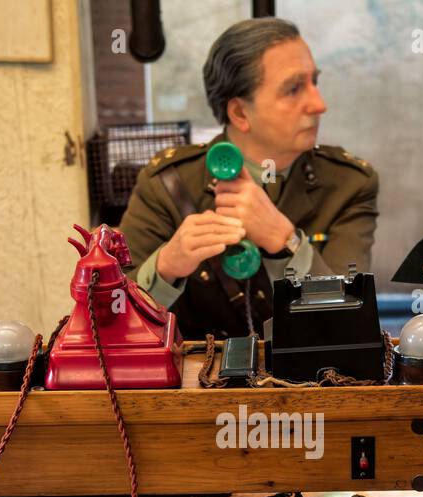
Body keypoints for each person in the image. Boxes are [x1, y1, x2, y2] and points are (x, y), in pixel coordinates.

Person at [117, 17, 379, 340]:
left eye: (315, 82)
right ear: (240, 113)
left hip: (311, 384)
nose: (319, 104)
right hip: (197, 386)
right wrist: (165, 267)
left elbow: (349, 323)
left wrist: (288, 243)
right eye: (294, 89)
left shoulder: (349, 183)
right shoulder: (168, 185)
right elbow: (111, 324)